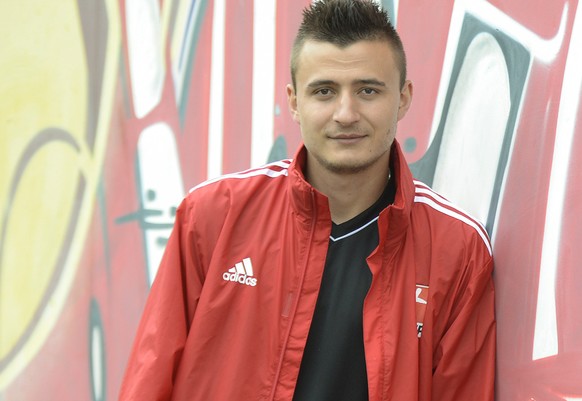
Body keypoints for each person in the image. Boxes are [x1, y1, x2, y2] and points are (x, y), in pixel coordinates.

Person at [118, 0, 496, 400]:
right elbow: (149, 377)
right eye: (324, 91)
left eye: (368, 90)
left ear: (402, 99)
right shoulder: (214, 217)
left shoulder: (457, 251)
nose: (346, 113)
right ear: (295, 101)